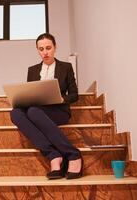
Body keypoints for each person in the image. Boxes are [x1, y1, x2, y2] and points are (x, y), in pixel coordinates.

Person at [10, 33, 83, 179]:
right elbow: (30, 92)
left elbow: (74, 95)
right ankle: (53, 155)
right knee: (16, 113)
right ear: (38, 50)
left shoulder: (66, 67)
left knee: (33, 112)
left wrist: (60, 98)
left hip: (59, 110)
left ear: (55, 47)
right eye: (41, 49)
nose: (45, 52)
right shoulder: (32, 70)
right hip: (36, 110)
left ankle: (73, 155)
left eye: (48, 48)